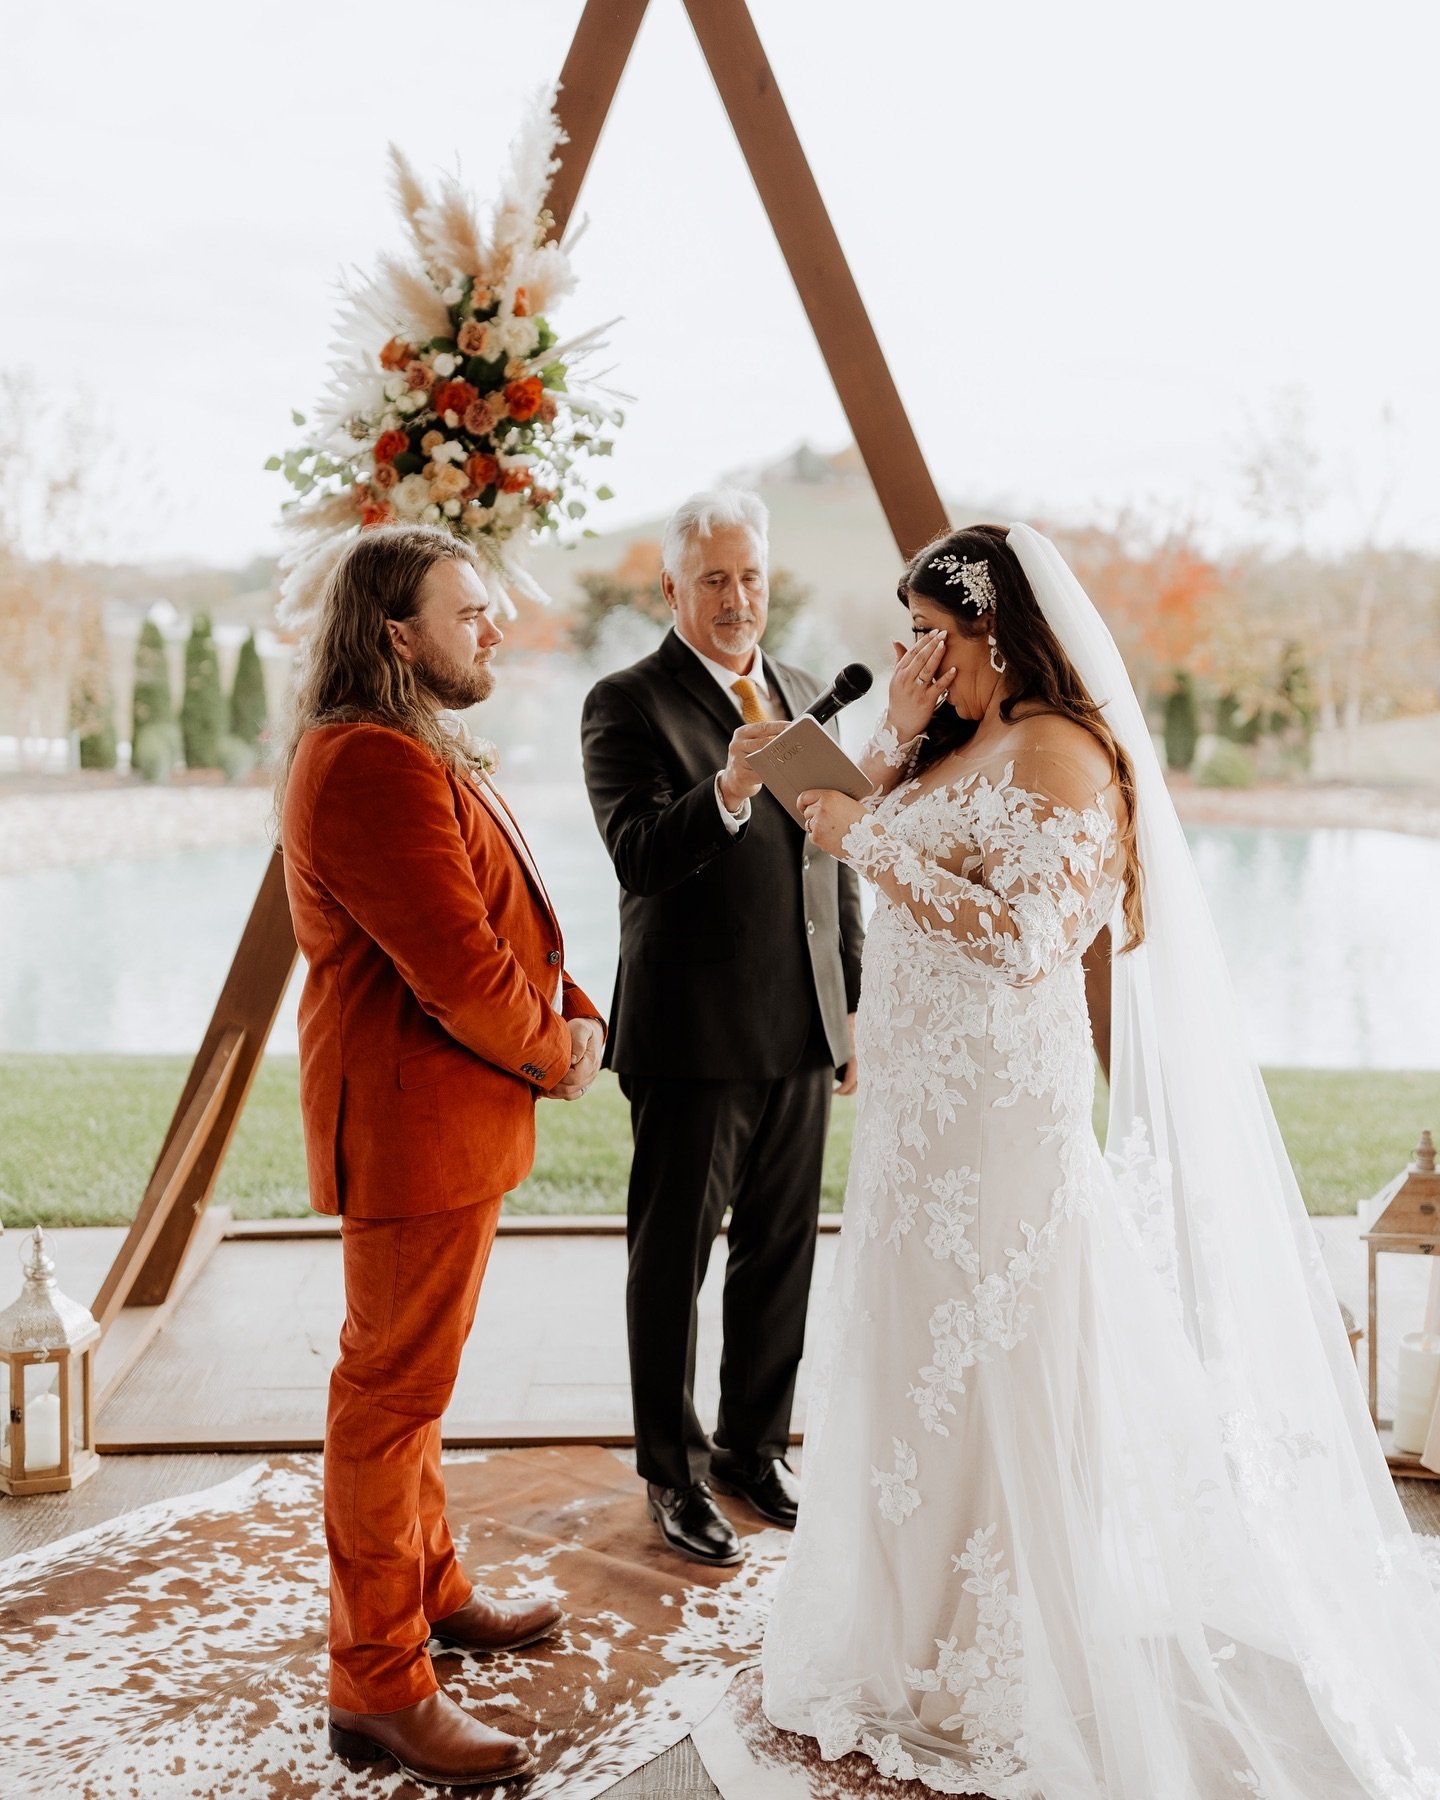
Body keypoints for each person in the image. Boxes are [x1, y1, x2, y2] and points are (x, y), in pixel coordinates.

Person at [761, 524, 1440, 1797]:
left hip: (995, 1139)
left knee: (987, 1382)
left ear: (1000, 632)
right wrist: (886, 748)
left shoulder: (1067, 757)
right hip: (918, 1129)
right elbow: (863, 830)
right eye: (909, 635)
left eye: (934, 637)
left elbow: (1026, 937)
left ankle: (992, 1664)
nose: (918, 658)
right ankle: (903, 1646)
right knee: (911, 1381)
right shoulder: (957, 741)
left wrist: (867, 833)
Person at [279, 524, 605, 1789]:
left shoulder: (404, 743)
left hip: (449, 1128)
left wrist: (579, 1010)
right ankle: (375, 1685)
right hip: (414, 1131)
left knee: (412, 1393)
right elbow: (459, 970)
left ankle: (433, 1592)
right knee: (387, 1401)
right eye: (468, 610)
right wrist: (555, 1053)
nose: (495, 628)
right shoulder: (365, 761)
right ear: (395, 631)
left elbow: (498, 914)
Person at [581, 488, 865, 1567]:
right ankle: (672, 1471)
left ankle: (755, 1449)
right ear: (671, 589)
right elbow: (641, 855)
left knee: (780, 1256)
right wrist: (733, 786)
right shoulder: (624, 703)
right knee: (673, 1268)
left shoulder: (799, 691)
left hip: (800, 1033)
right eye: (714, 579)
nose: (738, 597)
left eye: (750, 576)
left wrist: (851, 1011)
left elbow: (831, 859)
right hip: (692, 1039)